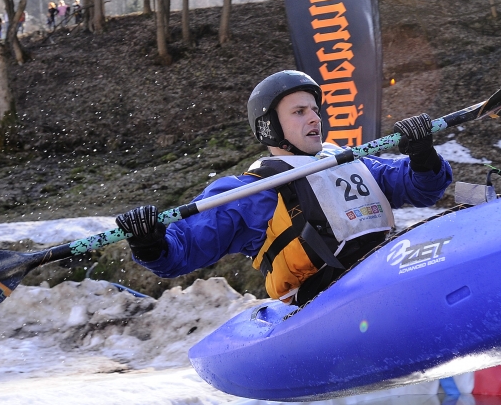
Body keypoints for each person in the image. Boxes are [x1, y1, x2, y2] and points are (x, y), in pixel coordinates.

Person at [116, 71, 453, 305]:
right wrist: (150, 243)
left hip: (385, 272)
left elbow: (420, 189)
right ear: (270, 127)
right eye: (299, 112)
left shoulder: (350, 161)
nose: (314, 119)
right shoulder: (253, 193)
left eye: (314, 110)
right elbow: (183, 249)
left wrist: (423, 155)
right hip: (327, 300)